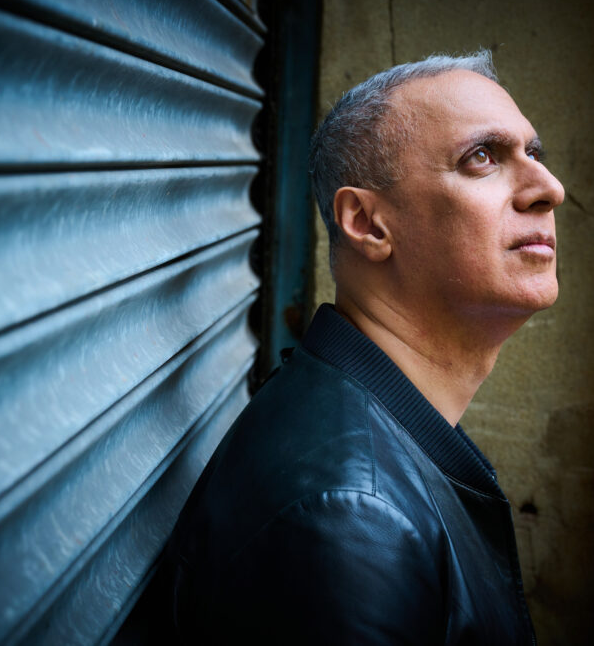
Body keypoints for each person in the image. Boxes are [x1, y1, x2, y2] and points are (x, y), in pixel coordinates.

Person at [144, 51, 565, 644]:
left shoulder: (370, 451)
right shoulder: (349, 518)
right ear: (367, 223)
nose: (549, 189)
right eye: (483, 158)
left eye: (535, 154)